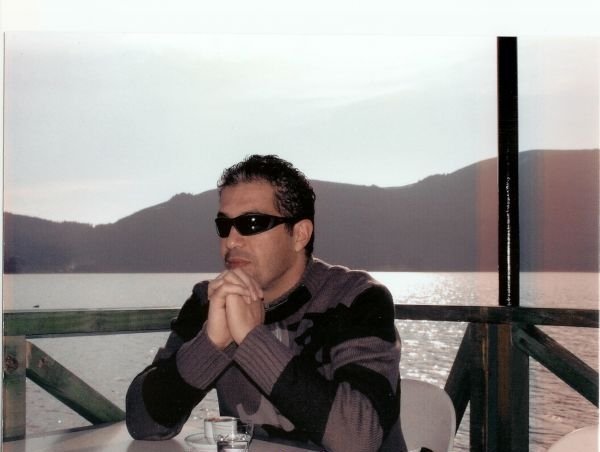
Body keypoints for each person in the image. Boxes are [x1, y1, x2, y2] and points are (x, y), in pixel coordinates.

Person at [125, 154, 407, 452]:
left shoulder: (356, 299)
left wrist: (251, 339)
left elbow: (360, 440)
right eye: (224, 225)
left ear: (299, 235)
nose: (231, 241)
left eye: (252, 223)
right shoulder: (210, 301)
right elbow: (143, 424)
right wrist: (211, 343)